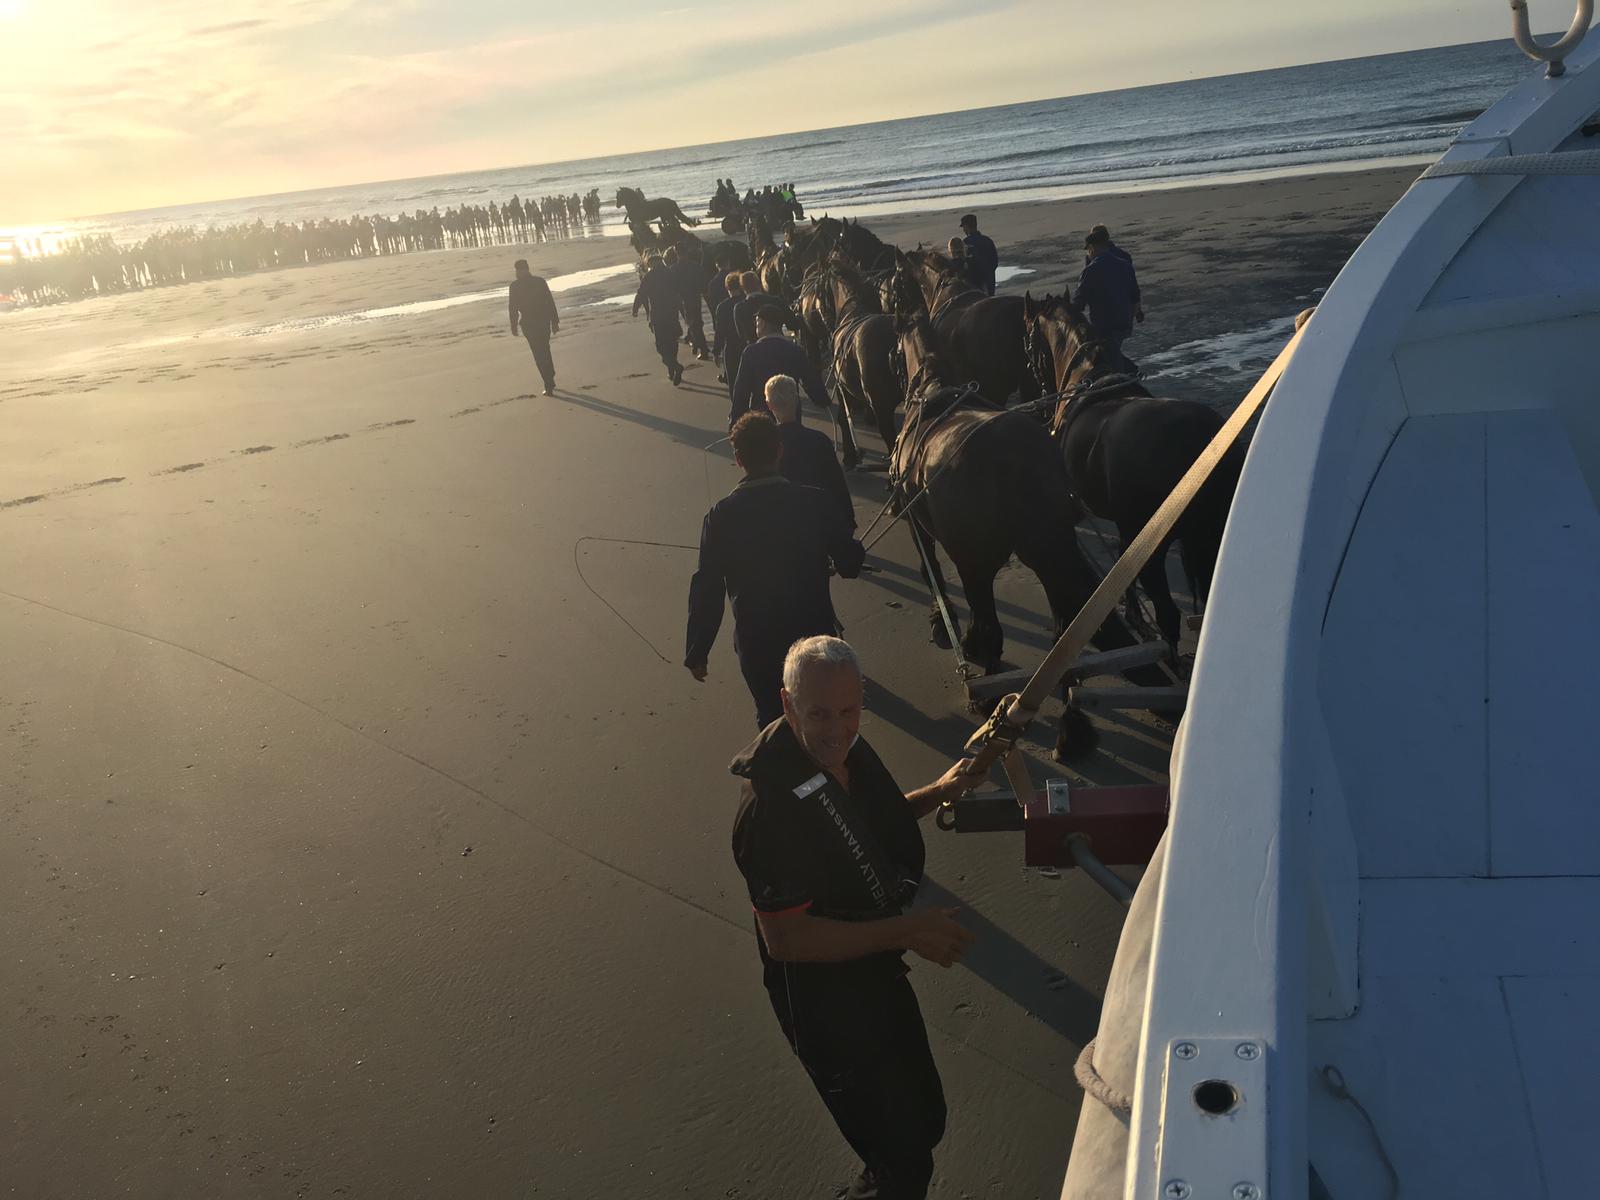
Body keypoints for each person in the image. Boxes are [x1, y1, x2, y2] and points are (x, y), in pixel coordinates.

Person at [730, 635, 981, 1200]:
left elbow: (862, 826)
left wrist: (939, 790)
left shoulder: (842, 755)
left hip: (875, 969)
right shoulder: (769, 811)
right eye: (817, 713)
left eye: (848, 711)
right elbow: (787, 940)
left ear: (861, 698)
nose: (836, 729)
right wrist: (909, 930)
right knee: (899, 1161)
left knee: (925, 1117)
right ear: (787, 704)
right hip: (826, 1005)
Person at [686, 414, 864, 726]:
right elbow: (851, 564)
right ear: (779, 451)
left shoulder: (720, 517)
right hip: (813, 636)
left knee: (773, 721)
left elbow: (707, 587)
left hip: (757, 644)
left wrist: (698, 650)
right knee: (824, 719)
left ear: (739, 459)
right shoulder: (815, 501)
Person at [765, 375, 855, 531]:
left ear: (769, 405)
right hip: (815, 523)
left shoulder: (764, 444)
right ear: (797, 401)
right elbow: (837, 485)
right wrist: (848, 520)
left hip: (778, 526)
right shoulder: (819, 441)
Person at [731, 304, 829, 428]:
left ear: (763, 323)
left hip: (761, 419)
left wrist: (735, 423)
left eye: (757, 322)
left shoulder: (751, 352)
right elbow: (811, 382)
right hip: (791, 418)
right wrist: (823, 400)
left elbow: (741, 391)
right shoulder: (796, 350)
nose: (756, 325)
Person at [1075, 226, 1143, 366]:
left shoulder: (1090, 271)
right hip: (1125, 323)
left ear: (1092, 248)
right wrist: (1135, 313)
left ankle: (1128, 373)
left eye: (1088, 250)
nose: (1088, 254)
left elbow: (1079, 304)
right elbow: (1135, 296)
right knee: (1112, 352)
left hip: (1104, 326)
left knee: (1105, 358)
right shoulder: (1125, 264)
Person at [508, 259, 559, 394]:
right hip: (539, 322)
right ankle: (549, 377)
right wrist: (554, 321)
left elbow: (512, 308)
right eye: (519, 270)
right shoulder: (538, 282)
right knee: (544, 350)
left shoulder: (516, 286)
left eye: (519, 270)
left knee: (539, 353)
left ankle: (548, 382)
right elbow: (549, 302)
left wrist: (513, 326)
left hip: (533, 323)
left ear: (522, 270)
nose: (518, 272)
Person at [631, 255, 684, 385]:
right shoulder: (671, 273)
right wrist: (683, 311)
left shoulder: (649, 277)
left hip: (658, 315)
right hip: (672, 313)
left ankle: (675, 366)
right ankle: (672, 368)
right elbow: (680, 292)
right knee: (672, 342)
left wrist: (635, 309)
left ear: (651, 264)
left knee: (661, 345)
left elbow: (641, 294)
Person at [664, 246, 710, 360]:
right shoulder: (696, 266)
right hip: (696, 297)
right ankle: (697, 345)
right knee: (697, 322)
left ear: (676, 253)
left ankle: (702, 349)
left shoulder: (673, 269)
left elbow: (670, 287)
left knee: (693, 325)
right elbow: (704, 281)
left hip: (683, 299)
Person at [712, 271, 745, 387]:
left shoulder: (722, 307)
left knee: (734, 382)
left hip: (731, 347)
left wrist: (716, 351)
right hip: (747, 344)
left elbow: (719, 332)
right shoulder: (746, 302)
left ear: (727, 288)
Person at [957, 213, 998, 296]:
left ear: (966, 227)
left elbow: (962, 265)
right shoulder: (988, 241)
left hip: (973, 284)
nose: (963, 230)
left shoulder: (965, 243)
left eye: (963, 227)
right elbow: (995, 262)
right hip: (989, 281)